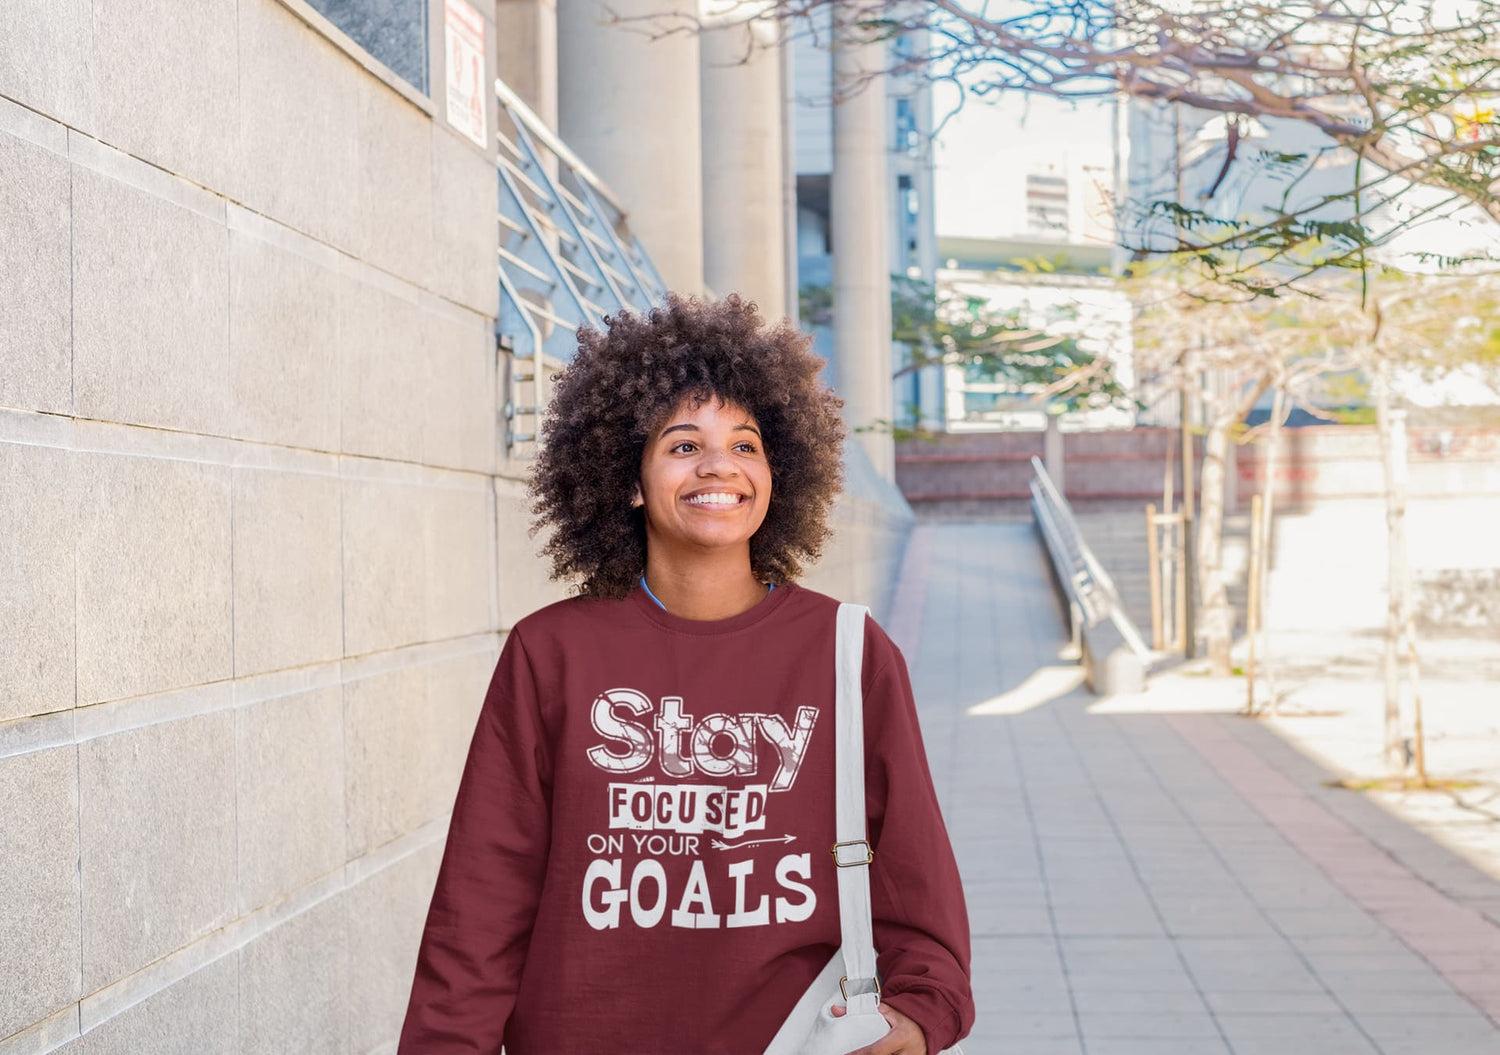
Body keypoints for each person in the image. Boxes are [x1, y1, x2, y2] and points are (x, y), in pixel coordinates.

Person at [397, 294, 974, 1055]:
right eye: (682, 445)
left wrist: (922, 1010)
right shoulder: (552, 653)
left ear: (778, 472)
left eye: (745, 445)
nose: (718, 467)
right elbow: (481, 901)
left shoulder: (849, 651)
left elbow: (914, 874)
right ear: (628, 477)